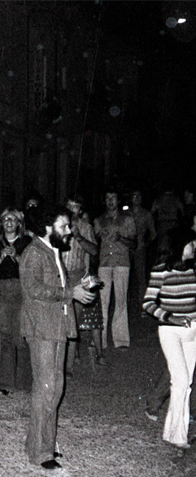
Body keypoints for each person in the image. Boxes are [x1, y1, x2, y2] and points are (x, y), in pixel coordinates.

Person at [20, 204, 95, 469]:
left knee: (54, 388)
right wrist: (70, 293)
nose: (69, 231)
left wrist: (78, 286)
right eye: (63, 226)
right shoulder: (34, 253)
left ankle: (41, 444)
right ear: (47, 227)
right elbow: (33, 289)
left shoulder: (52, 251)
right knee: (47, 389)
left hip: (56, 326)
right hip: (42, 329)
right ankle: (41, 453)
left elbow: (55, 286)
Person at [141, 227, 196, 450]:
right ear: (179, 246)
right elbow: (148, 303)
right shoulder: (161, 271)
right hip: (169, 330)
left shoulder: (193, 270)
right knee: (180, 379)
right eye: (192, 243)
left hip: (192, 329)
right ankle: (176, 434)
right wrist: (171, 317)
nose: (195, 247)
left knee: (186, 383)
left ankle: (175, 433)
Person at [0, 208, 32, 395]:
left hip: (20, 289)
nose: (9, 222)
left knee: (21, 335)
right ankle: (5, 383)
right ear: (1, 223)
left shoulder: (26, 242)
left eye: (13, 219)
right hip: (1, 289)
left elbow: (30, 269)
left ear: (19, 223)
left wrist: (16, 256)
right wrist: (1, 257)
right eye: (5, 219)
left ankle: (24, 382)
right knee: (5, 334)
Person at [94, 190, 137, 349]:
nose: (110, 200)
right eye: (107, 197)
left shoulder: (127, 220)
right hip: (104, 264)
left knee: (121, 301)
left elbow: (134, 244)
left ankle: (121, 339)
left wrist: (121, 238)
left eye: (113, 197)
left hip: (121, 263)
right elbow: (95, 243)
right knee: (102, 301)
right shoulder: (98, 221)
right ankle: (101, 340)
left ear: (118, 200)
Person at [65, 196, 102, 369]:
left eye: (75, 207)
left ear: (80, 210)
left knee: (73, 320)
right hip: (60, 275)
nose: (72, 210)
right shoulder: (58, 224)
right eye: (69, 206)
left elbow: (94, 251)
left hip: (77, 275)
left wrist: (78, 237)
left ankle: (69, 365)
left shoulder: (86, 227)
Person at [128, 190, 157, 303]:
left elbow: (153, 233)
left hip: (140, 248)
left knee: (141, 276)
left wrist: (147, 242)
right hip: (126, 248)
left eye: (139, 196)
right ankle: (125, 301)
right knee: (125, 275)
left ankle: (143, 302)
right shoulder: (125, 213)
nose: (137, 198)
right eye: (134, 196)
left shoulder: (146, 214)